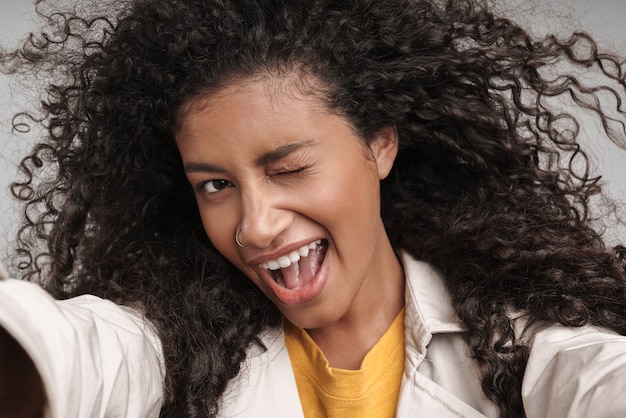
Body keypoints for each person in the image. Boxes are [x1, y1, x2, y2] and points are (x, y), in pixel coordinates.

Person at [1, 0, 626, 417]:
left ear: (379, 144)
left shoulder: (523, 352)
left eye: (289, 168)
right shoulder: (173, 352)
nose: (256, 225)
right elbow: (73, 350)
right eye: (216, 185)